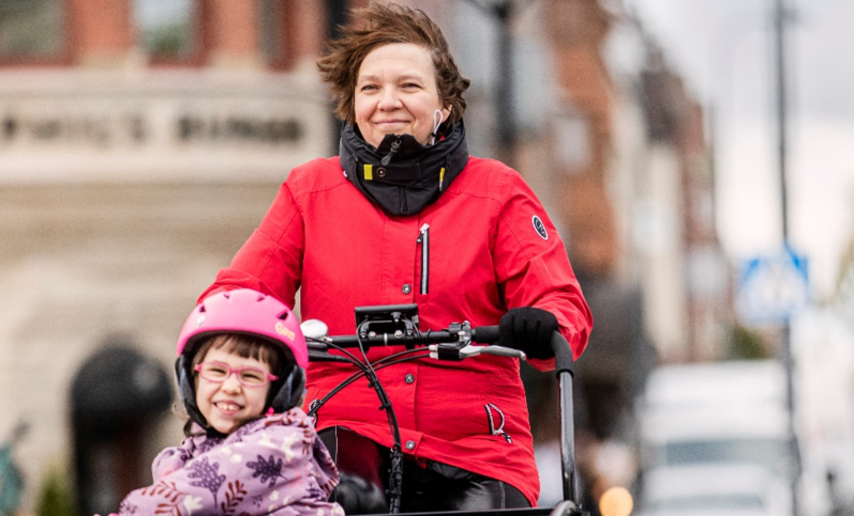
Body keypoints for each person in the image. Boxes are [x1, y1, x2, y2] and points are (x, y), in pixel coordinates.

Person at [197, 2, 593, 511]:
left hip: (475, 445)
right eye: (370, 88)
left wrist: (543, 323)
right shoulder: (308, 192)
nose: (388, 102)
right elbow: (238, 294)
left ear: (444, 103)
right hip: (345, 429)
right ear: (352, 104)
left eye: (409, 85)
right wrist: (231, 334)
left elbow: (563, 305)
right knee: (336, 498)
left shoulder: (498, 193)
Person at [107, 288, 343, 516]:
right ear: (190, 379)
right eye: (217, 371)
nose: (230, 387)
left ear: (280, 390)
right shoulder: (189, 454)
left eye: (250, 376)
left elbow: (177, 497)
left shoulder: (279, 446)